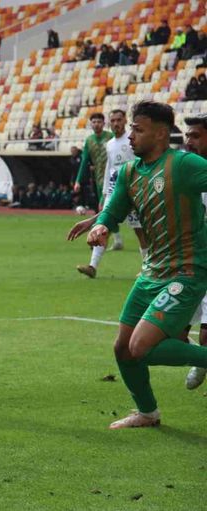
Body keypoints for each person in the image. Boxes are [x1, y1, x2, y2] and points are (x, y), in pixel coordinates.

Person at [73, 101, 207, 429]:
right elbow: (114, 208)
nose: (131, 135)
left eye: (138, 129)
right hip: (151, 271)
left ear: (161, 134)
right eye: (131, 128)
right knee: (123, 348)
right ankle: (147, 413)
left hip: (186, 272)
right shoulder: (130, 171)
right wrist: (102, 225)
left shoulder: (184, 164)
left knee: (141, 347)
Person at [76, 109, 148, 278]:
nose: (116, 123)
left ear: (125, 121)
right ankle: (92, 266)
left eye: (119, 120)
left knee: (140, 230)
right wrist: (104, 194)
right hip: (114, 190)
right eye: (113, 120)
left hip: (133, 190)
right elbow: (110, 169)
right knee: (103, 226)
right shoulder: (109, 144)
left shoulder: (132, 139)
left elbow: (141, 163)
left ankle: (147, 268)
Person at [182, 113, 207, 389]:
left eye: (196, 136)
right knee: (171, 333)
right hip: (189, 262)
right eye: (187, 135)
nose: (189, 141)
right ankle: (201, 360)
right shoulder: (184, 170)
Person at [73, 112, 114, 214]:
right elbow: (84, 162)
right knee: (102, 206)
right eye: (94, 122)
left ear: (103, 123)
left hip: (113, 175)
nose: (96, 124)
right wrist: (78, 181)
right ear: (91, 124)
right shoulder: (89, 140)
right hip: (99, 178)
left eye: (99, 122)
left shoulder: (111, 137)